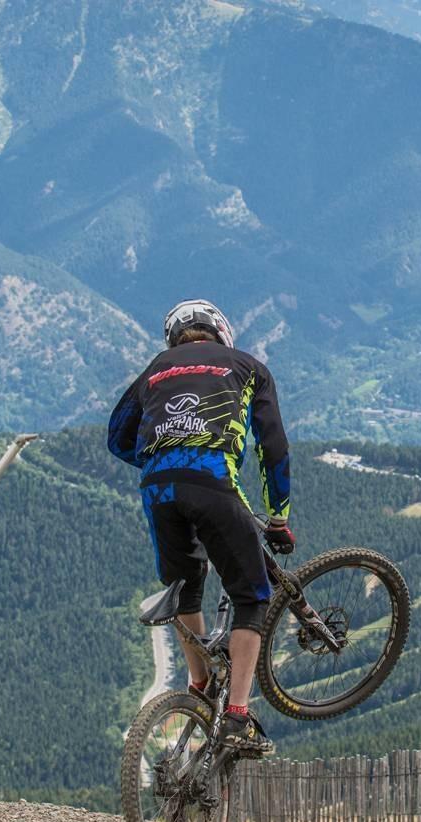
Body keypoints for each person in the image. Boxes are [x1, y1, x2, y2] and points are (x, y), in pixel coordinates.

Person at [107, 299, 295, 757]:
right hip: (212, 480)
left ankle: (199, 685)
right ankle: (235, 717)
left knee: (183, 585)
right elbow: (273, 446)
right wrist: (278, 516)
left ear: (175, 338)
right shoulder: (248, 367)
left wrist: (161, 457)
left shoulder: (156, 368)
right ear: (221, 333)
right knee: (252, 596)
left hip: (156, 487)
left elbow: (117, 437)